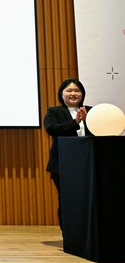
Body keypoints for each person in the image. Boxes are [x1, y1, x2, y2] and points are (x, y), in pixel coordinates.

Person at [43, 78, 94, 230]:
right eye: (69, 90)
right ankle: (69, 235)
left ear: (82, 94)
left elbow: (100, 132)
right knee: (67, 201)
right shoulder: (54, 112)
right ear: (61, 94)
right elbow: (52, 129)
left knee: (89, 200)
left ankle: (88, 234)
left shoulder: (91, 111)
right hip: (63, 166)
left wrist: (89, 120)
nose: (73, 94)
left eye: (77, 91)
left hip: (88, 165)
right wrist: (75, 122)